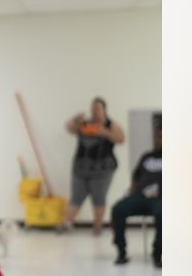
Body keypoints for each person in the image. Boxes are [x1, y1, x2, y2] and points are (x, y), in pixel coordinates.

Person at [61, 97, 125, 234]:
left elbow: (121, 139)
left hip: (102, 170)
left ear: (104, 110)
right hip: (81, 168)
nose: (95, 111)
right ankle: (66, 223)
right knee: (76, 197)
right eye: (93, 108)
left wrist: (105, 133)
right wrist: (75, 120)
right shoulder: (84, 123)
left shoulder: (110, 125)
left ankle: (97, 226)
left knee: (99, 198)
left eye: (98, 108)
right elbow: (69, 128)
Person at [112, 127, 161, 267]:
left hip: (162, 198)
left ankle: (158, 253)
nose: (161, 141)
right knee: (118, 209)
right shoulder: (147, 157)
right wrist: (133, 190)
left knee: (162, 214)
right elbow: (136, 177)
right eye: (159, 137)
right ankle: (121, 251)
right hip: (141, 196)